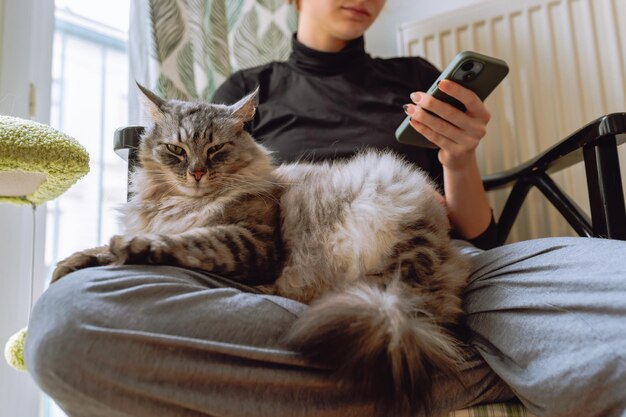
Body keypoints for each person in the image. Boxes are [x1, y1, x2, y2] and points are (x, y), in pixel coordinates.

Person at [25, 1, 626, 417]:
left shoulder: (414, 77)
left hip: (443, 265)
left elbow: (476, 232)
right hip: (272, 288)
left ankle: (409, 353)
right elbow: (214, 210)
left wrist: (459, 157)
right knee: (70, 327)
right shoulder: (248, 89)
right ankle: (471, 359)